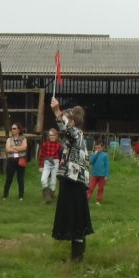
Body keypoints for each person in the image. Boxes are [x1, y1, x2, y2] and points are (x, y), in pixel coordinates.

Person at [50, 98, 93, 262]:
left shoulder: (77, 133)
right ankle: (77, 256)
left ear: (73, 121)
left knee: (76, 220)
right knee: (76, 219)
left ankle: (77, 257)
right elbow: (65, 129)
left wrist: (56, 111)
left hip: (74, 183)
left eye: (68, 119)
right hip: (72, 182)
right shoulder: (74, 137)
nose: (64, 122)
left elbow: (66, 128)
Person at [2, 123, 29, 201]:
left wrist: (13, 147)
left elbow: (24, 147)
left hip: (21, 159)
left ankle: (21, 196)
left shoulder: (23, 138)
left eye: (14, 128)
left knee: (20, 178)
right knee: (9, 178)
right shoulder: (9, 139)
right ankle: (5, 195)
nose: (12, 130)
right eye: (12, 128)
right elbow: (8, 149)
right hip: (11, 159)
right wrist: (18, 148)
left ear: (18, 130)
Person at [38, 128, 61, 204]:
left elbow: (61, 157)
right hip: (47, 162)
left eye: (53, 135)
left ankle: (50, 198)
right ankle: (47, 195)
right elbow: (42, 155)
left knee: (53, 181)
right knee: (43, 179)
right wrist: (41, 166)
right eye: (50, 135)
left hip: (56, 162)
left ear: (56, 135)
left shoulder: (59, 145)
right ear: (48, 136)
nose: (52, 137)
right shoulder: (45, 144)